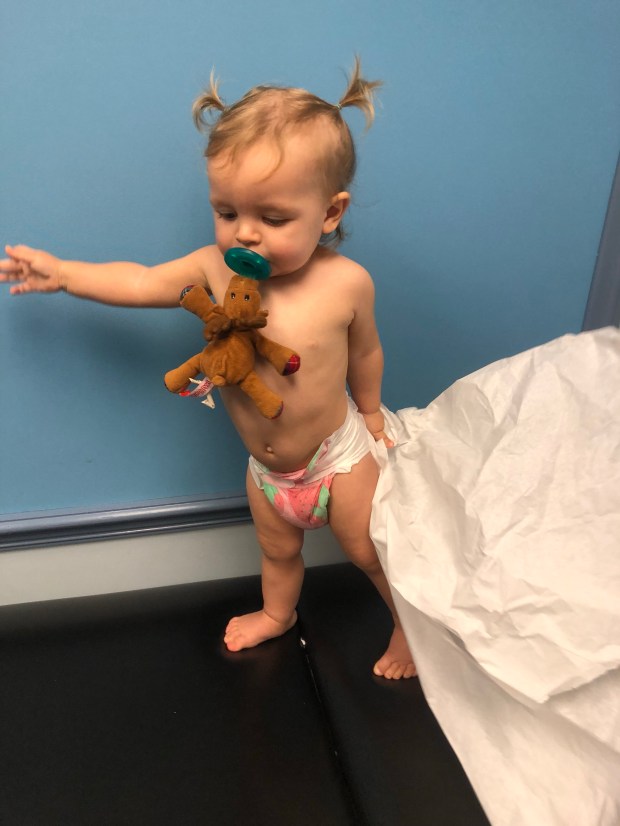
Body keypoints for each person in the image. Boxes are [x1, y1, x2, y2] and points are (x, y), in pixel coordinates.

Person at [1, 59, 416, 679]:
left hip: (338, 459)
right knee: (277, 551)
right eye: (226, 213)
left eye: (273, 219)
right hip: (267, 473)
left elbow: (365, 353)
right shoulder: (211, 270)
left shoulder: (346, 283)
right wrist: (64, 275)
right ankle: (277, 614)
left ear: (330, 213)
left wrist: (374, 412)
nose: (245, 235)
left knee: (369, 552)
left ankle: (409, 628)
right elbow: (140, 281)